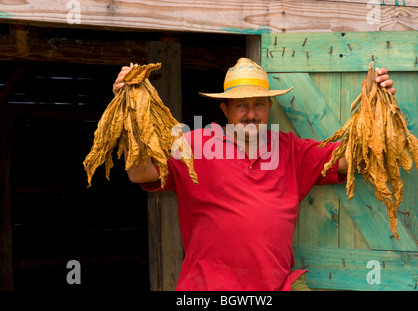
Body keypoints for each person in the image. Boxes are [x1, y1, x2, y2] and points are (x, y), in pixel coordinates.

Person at [112, 57, 396, 291]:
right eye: (241, 105)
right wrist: (131, 107)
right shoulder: (194, 145)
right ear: (225, 109)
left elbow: (355, 159)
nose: (251, 114)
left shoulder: (290, 150)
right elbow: (140, 173)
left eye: (259, 103)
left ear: (270, 107)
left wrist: (378, 104)